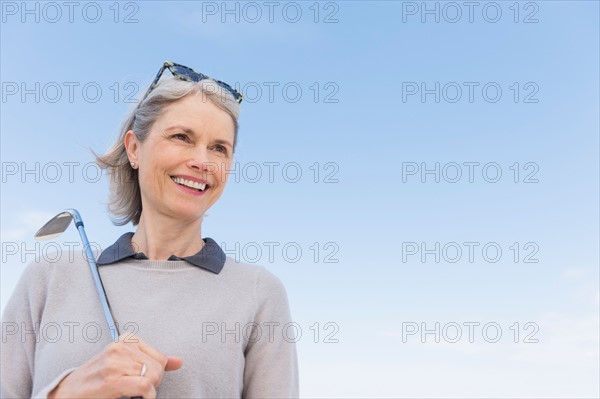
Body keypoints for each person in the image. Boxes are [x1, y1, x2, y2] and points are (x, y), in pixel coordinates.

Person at [1, 61, 299, 398]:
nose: (202, 161)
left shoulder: (259, 293)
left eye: (219, 148)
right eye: (182, 137)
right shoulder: (50, 278)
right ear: (134, 149)